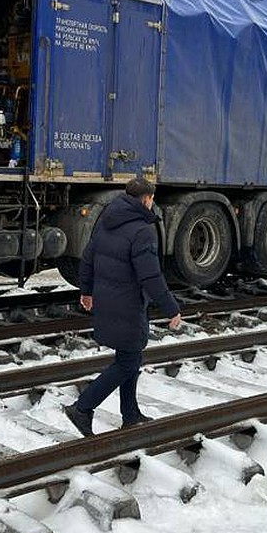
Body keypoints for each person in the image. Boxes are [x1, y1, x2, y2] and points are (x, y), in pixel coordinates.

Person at [64, 177, 182, 436]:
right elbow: (150, 276)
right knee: (128, 362)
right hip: (128, 305)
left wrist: (86, 291)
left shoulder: (107, 219)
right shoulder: (142, 231)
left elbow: (88, 258)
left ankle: (130, 414)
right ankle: (82, 408)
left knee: (130, 356)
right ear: (147, 199)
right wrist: (170, 308)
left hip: (108, 300)